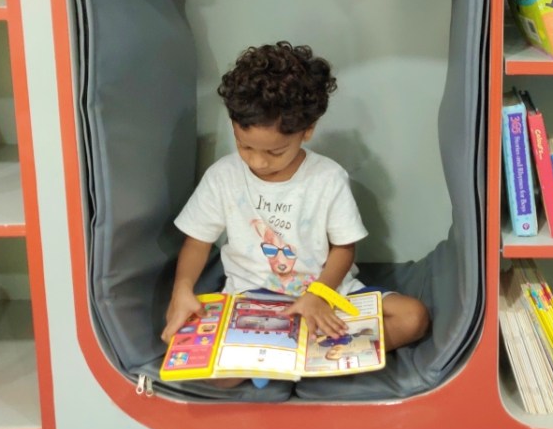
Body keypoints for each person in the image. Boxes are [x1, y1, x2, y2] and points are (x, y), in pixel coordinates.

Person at [161, 41, 430, 380]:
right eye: (244, 146)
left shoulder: (327, 177)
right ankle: (299, 356)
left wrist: (320, 294)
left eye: (275, 152)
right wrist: (181, 291)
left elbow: (344, 247)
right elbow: (197, 242)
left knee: (413, 317)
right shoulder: (222, 177)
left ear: (307, 131)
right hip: (250, 303)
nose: (258, 161)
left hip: (326, 294)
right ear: (233, 123)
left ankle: (303, 356)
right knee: (215, 374)